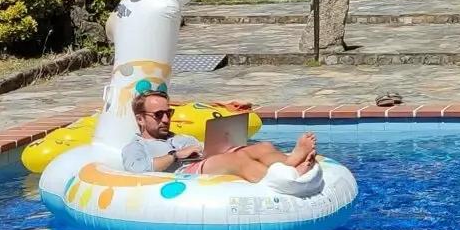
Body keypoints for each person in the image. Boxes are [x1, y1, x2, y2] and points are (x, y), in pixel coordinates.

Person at [121, 88, 317, 182]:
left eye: (168, 113)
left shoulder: (180, 138)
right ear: (140, 119)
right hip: (183, 173)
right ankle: (285, 181)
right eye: (158, 115)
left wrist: (222, 144)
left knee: (261, 147)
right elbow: (137, 170)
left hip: (204, 162)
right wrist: (176, 155)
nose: (165, 119)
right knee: (237, 160)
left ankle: (290, 161)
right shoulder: (136, 146)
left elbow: (208, 151)